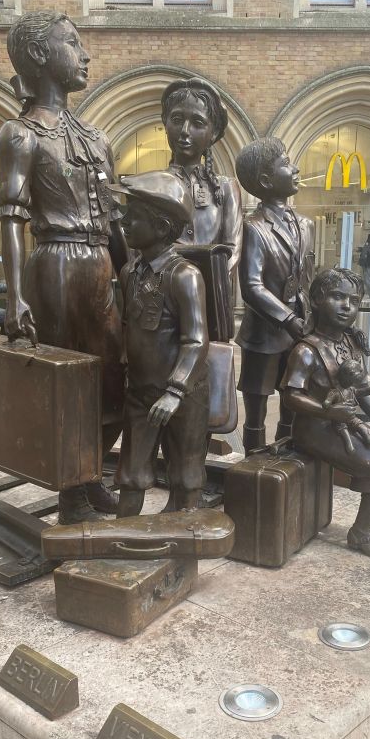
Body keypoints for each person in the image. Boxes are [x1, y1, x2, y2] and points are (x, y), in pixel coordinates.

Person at [0, 10, 128, 521]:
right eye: (72, 43)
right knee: (68, 383)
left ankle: (90, 469)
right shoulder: (20, 133)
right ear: (37, 56)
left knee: (115, 376)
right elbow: (11, 214)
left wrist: (131, 276)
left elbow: (114, 219)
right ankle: (72, 491)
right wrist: (14, 296)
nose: (85, 54)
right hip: (53, 264)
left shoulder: (96, 138)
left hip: (99, 265)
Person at [281, 266, 370, 560]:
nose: (346, 306)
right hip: (314, 430)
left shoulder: (350, 341)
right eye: (338, 297)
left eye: (353, 301)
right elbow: (291, 396)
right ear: (317, 300)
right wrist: (329, 415)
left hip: (342, 422)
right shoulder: (306, 350)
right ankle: (361, 532)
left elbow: (363, 388)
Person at [111, 170, 209, 517]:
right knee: (131, 474)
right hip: (140, 392)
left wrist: (175, 391)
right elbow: (128, 328)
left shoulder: (184, 276)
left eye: (133, 216)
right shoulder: (129, 273)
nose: (124, 222)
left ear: (162, 227)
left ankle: (180, 538)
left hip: (182, 396)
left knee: (186, 474)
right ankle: (121, 539)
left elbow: (196, 341)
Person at [234, 137, 315, 453]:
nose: (296, 169)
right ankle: (253, 465)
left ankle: (287, 459)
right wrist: (288, 318)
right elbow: (252, 287)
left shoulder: (306, 225)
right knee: (257, 410)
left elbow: (309, 278)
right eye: (286, 163)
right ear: (266, 180)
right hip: (264, 336)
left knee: (293, 402)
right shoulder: (254, 226)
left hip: (300, 333)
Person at [161, 77, 242, 306]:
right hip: (164, 300)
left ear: (213, 132)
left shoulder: (226, 188)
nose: (185, 131)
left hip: (210, 298)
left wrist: (205, 284)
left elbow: (232, 249)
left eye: (197, 123)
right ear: (165, 123)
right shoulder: (152, 185)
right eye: (177, 120)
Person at [322, 357, 370, 454]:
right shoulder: (335, 392)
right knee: (343, 431)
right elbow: (327, 401)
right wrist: (328, 404)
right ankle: (349, 444)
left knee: (360, 425)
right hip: (339, 419)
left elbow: (360, 392)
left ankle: (368, 437)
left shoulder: (350, 390)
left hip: (351, 417)